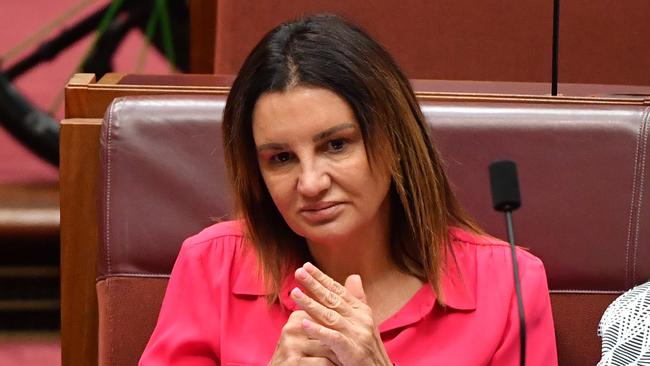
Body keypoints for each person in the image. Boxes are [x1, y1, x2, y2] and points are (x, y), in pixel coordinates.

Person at [139, 14, 557, 365]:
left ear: (395, 141)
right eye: (281, 158)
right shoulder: (211, 266)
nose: (311, 184)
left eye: (336, 145)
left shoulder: (508, 287)